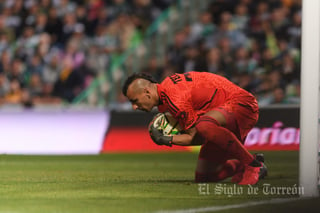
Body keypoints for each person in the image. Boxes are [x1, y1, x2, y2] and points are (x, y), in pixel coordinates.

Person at [122, 71, 267, 185]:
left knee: (204, 126)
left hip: (241, 104)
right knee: (204, 177)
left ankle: (252, 166)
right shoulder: (167, 95)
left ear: (147, 92)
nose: (134, 107)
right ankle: (245, 163)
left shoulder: (174, 99)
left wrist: (166, 139)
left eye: (134, 101)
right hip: (221, 113)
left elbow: (198, 137)